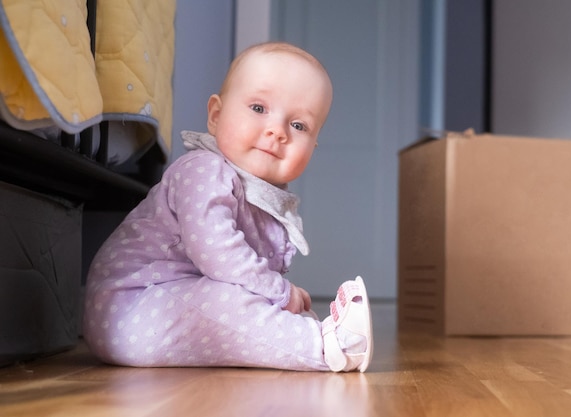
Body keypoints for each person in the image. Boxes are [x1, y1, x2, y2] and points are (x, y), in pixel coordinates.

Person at [83, 42, 373, 372]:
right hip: (132, 307)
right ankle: (327, 347)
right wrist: (279, 292)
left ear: (314, 144)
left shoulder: (263, 198)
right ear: (216, 116)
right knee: (231, 307)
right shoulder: (203, 170)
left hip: (178, 301)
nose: (277, 131)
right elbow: (218, 255)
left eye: (298, 126)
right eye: (259, 108)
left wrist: (281, 300)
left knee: (244, 308)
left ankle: (306, 335)